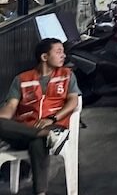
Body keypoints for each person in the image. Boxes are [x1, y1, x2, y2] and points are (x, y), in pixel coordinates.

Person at [0, 39, 78, 195]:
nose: (63, 55)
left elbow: (73, 102)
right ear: (44, 57)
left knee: (37, 142)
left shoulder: (67, 75)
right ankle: (46, 135)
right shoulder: (22, 79)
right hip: (25, 129)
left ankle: (40, 193)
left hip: (54, 125)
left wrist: (53, 119)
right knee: (35, 137)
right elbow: (10, 108)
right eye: (58, 52)